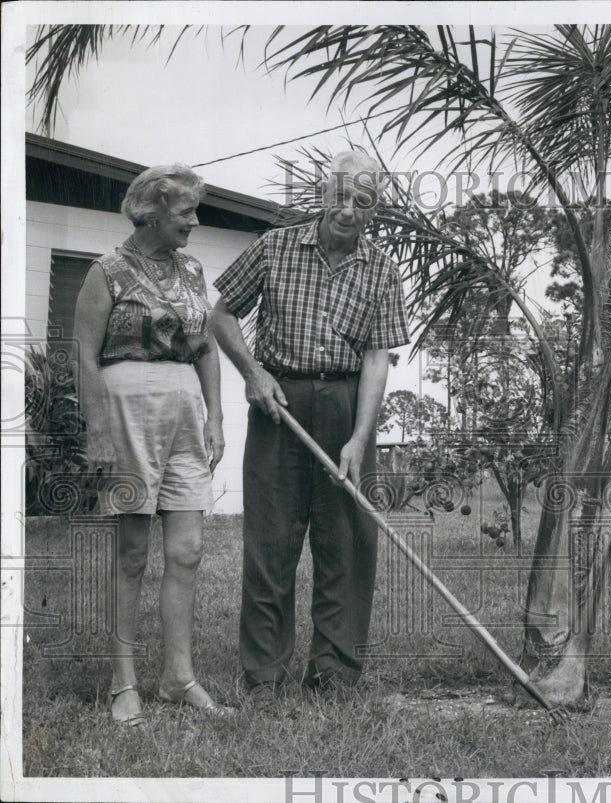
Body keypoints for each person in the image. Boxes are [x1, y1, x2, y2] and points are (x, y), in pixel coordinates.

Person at [211, 151, 410, 703]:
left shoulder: (382, 269)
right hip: (280, 402)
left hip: (347, 404)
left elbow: (376, 359)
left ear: (375, 208)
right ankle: (264, 677)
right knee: (271, 540)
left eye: (363, 200)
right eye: (341, 196)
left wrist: (358, 438)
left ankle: (334, 676)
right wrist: (253, 373)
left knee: (346, 542)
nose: (349, 209)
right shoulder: (274, 247)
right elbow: (221, 316)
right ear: (324, 195)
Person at [74, 164, 228, 726]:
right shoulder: (106, 271)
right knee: (133, 551)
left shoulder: (191, 270)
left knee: (187, 549)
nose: (194, 221)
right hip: (127, 408)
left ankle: (177, 677)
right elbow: (85, 356)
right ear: (153, 211)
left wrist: (215, 419)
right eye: (186, 211)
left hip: (185, 409)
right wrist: (96, 431)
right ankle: (123, 681)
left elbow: (205, 348)